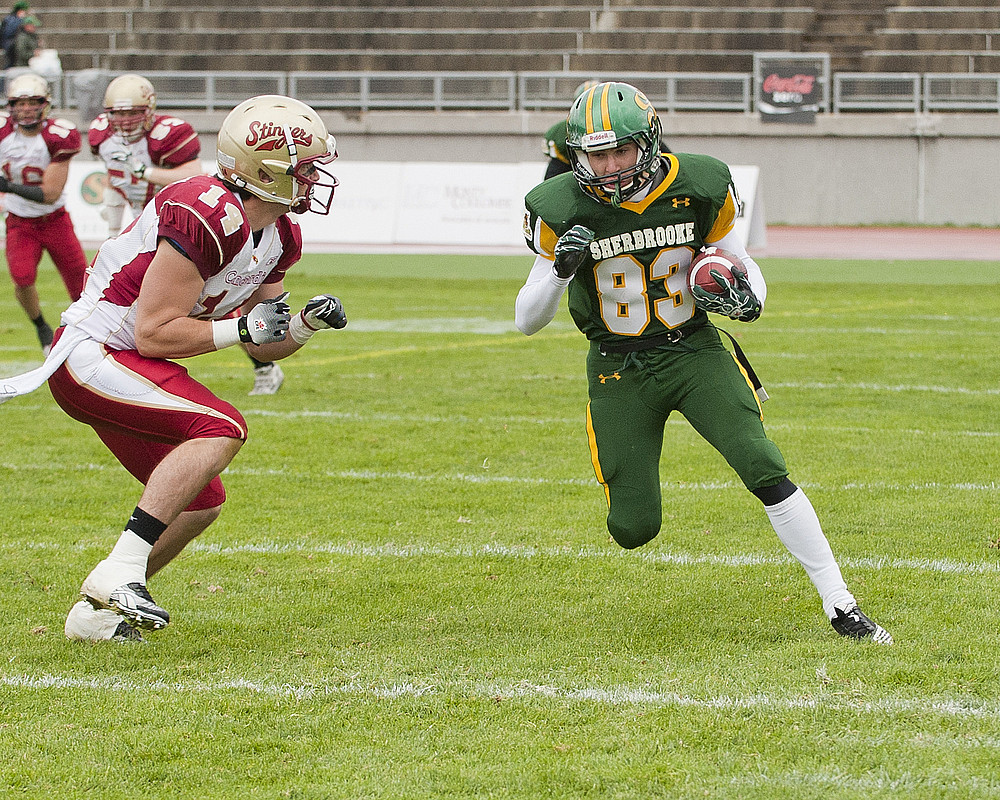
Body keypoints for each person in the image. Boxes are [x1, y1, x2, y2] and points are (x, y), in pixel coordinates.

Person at [516, 81, 892, 644]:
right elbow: (527, 318)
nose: (611, 165)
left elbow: (739, 261)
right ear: (578, 155)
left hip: (693, 349)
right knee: (633, 528)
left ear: (648, 142)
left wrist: (751, 297)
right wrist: (560, 270)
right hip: (619, 366)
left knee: (763, 465)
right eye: (597, 154)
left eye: (621, 150)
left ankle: (840, 604)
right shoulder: (558, 206)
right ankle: (636, 509)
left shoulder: (698, 182)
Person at [0, 94, 349, 642]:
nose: (314, 178)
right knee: (222, 428)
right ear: (266, 168)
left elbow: (264, 347)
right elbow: (155, 332)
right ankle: (117, 571)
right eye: (304, 167)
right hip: (94, 353)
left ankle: (95, 616)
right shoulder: (204, 210)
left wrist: (301, 325)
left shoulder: (277, 232)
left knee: (200, 502)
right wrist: (241, 327)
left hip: (126, 360)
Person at [90, 73, 285, 396]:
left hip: (183, 218)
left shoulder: (170, 133)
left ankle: (263, 365)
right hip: (145, 223)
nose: (124, 121)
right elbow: (113, 180)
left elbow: (192, 175)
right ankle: (114, 369)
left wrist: (144, 172)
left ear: (150, 109)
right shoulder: (102, 137)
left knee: (212, 300)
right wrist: (114, 229)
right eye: (118, 113)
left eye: (132, 112)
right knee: (131, 300)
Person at [0, 72, 87, 354]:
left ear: (45, 104)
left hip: (55, 219)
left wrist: (6, 186)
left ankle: (85, 336)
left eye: (32, 102)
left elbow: (49, 193)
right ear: (10, 105)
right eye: (19, 103)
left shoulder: (57, 135)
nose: (26, 109)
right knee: (22, 278)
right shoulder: (3, 134)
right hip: (19, 222)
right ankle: (40, 325)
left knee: (81, 288)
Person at [543, 79, 669, 181]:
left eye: (622, 151)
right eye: (598, 154)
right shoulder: (563, 133)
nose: (612, 168)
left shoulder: (633, 126)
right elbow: (553, 177)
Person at [0, 0, 28, 69]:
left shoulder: (14, 19)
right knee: (10, 64)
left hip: (11, 44)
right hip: (10, 45)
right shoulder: (12, 20)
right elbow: (8, 33)